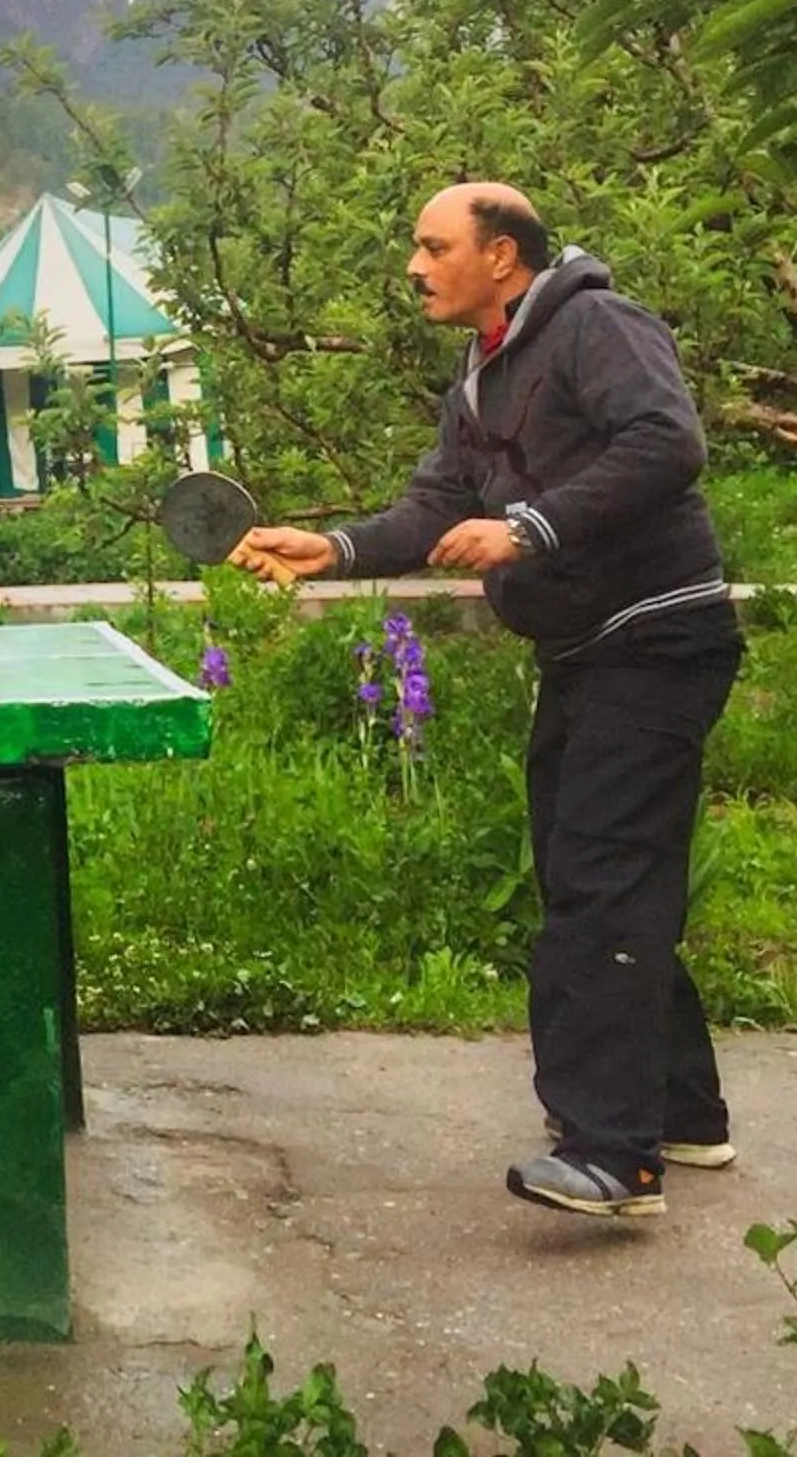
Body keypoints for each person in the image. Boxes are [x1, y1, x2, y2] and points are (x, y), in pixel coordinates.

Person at [234, 183, 743, 1221]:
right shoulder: (479, 375)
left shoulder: (596, 325)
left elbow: (666, 442)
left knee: (601, 875)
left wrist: (533, 529)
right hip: (588, 651)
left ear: (501, 255)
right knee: (589, 873)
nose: (414, 269)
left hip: (658, 637)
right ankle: (682, 1115)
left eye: (432, 247)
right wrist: (329, 549)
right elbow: (435, 506)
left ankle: (615, 1158)